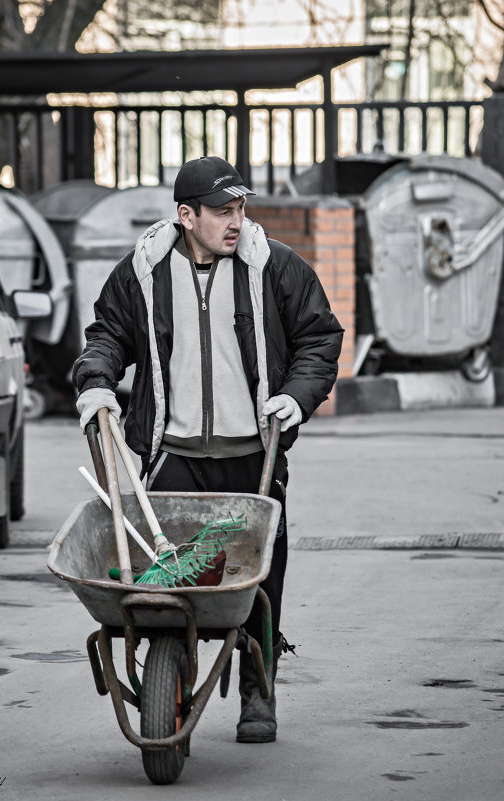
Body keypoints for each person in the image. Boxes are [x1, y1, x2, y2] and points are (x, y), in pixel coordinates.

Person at [73, 155, 343, 743]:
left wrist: (296, 398)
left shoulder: (273, 266)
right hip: (174, 457)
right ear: (186, 215)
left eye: (241, 208)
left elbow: (319, 336)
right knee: (171, 589)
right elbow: (108, 334)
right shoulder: (143, 272)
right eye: (223, 211)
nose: (236, 221)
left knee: (258, 589)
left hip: (254, 458)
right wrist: (97, 384)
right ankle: (171, 693)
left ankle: (257, 692)